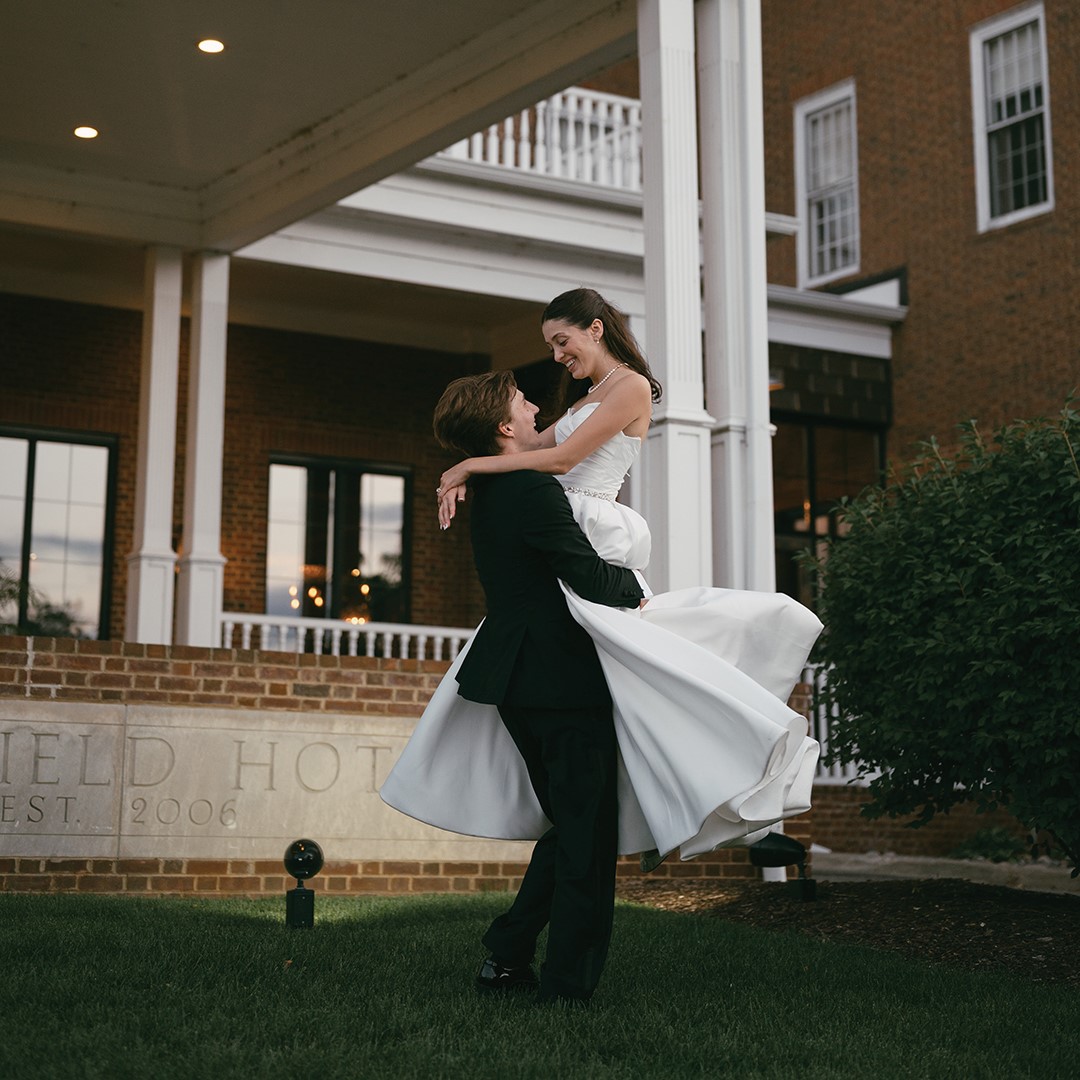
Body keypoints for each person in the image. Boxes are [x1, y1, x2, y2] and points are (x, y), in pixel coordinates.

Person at [381, 288, 822, 938]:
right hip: (561, 557)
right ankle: (536, 940)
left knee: (659, 688)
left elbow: (559, 460)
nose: (557, 359)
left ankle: (714, 763)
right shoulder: (577, 406)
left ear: (595, 327)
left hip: (580, 535)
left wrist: (473, 464)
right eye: (551, 348)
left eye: (564, 343)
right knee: (582, 807)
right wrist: (492, 472)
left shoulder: (631, 387)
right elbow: (546, 466)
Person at [390, 369, 647, 1005]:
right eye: (523, 402)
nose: (536, 407)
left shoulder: (492, 494)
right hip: (560, 679)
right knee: (587, 841)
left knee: (573, 827)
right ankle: (565, 988)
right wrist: (637, 589)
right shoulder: (532, 491)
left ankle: (506, 954)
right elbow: (585, 575)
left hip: (516, 680)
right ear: (506, 428)